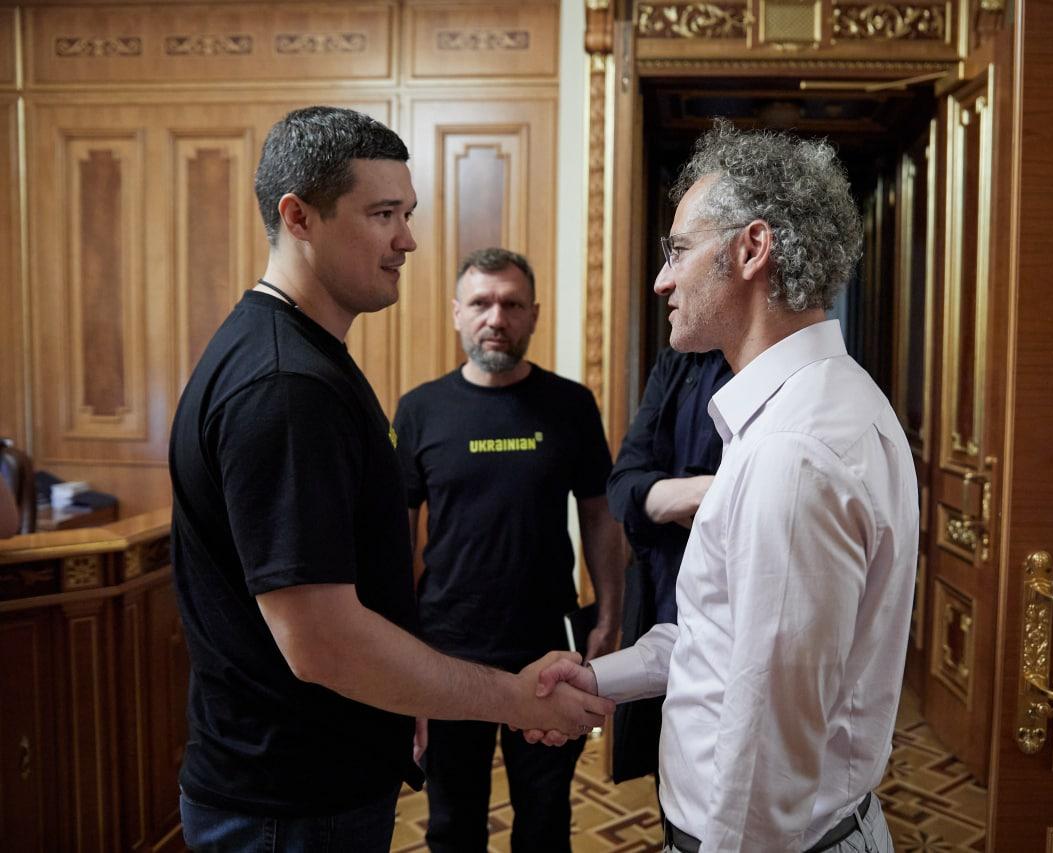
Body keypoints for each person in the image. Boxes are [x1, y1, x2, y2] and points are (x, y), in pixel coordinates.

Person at [169, 107, 610, 853]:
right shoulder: (285, 386)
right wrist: (511, 698)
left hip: (309, 786)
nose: (407, 239)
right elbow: (323, 642)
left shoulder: (304, 358)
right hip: (288, 806)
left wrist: (405, 693)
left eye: (407, 214)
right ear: (298, 218)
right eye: (383, 215)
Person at [534, 121, 918, 852]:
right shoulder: (802, 410)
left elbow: (767, 759)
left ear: (751, 248)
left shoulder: (793, 451)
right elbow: (720, 637)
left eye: (679, 250)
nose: (662, 279)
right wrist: (597, 678)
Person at [392, 247, 624, 852]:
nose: (496, 318)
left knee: (544, 822)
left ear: (534, 315)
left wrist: (609, 615)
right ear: (457, 313)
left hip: (548, 650)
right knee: (453, 824)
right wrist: (400, 642)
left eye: (512, 304)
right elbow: (396, 536)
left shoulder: (572, 405)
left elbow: (599, 515)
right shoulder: (419, 410)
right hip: (447, 650)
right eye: (481, 303)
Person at [605, 347, 730, 783]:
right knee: (670, 777)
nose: (671, 315)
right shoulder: (676, 365)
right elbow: (623, 488)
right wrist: (705, 491)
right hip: (664, 607)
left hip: (735, 641)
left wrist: (663, 498)